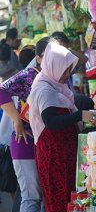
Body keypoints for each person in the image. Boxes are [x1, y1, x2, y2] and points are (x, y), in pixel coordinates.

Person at [28, 42, 96, 212]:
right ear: (54, 65)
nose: (67, 75)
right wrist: (79, 115)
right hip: (54, 158)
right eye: (65, 69)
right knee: (59, 202)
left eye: (69, 70)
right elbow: (51, 122)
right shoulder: (45, 90)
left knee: (68, 200)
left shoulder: (54, 85)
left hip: (62, 155)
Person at [0, 37, 52, 212]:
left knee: (46, 195)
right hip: (25, 140)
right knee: (31, 197)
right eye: (47, 55)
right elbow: (1, 92)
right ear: (38, 57)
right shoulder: (29, 75)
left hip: (47, 141)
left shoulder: (58, 75)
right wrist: (16, 120)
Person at [0, 42, 19, 211]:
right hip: (10, 136)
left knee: (11, 179)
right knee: (13, 180)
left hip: (8, 137)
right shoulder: (17, 75)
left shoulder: (8, 80)